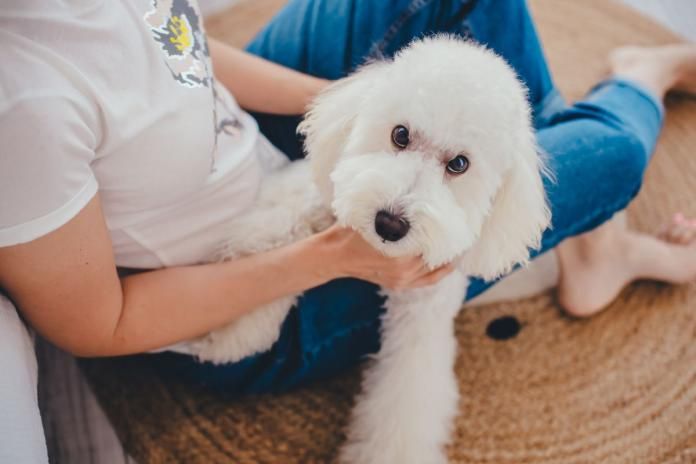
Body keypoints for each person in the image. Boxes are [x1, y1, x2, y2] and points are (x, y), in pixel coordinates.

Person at [1, 0, 695, 460]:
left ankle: (586, 236)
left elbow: (183, 60)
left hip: (254, 141)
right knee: (617, 158)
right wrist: (330, 255)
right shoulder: (20, 100)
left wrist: (365, 110)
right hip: (246, 301)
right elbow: (96, 325)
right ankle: (639, 80)